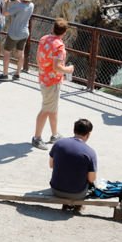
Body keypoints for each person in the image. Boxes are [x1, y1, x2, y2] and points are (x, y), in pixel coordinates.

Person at [33, 17, 74, 149]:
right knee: (46, 109)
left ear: (53, 28)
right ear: (64, 32)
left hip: (43, 76)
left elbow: (38, 57)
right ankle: (37, 138)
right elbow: (57, 67)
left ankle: (54, 134)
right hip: (52, 81)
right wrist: (69, 69)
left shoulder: (44, 38)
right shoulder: (59, 47)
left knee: (52, 108)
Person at [49, 118, 98, 213]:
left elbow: (51, 165)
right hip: (77, 193)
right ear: (88, 134)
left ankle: (66, 204)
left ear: (74, 130)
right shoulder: (90, 152)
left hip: (55, 189)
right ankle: (77, 206)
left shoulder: (59, 143)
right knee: (86, 179)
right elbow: (92, 179)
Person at [1, 0, 35, 81]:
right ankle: (17, 74)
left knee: (7, 52)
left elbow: (4, 13)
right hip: (24, 33)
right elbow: (23, 5)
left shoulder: (17, 7)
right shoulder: (31, 5)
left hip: (14, 33)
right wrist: (17, 0)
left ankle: (5, 75)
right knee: (20, 53)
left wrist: (6, 2)